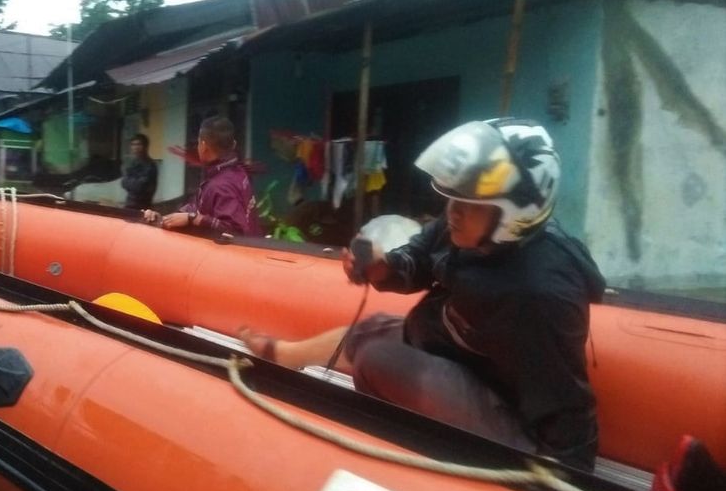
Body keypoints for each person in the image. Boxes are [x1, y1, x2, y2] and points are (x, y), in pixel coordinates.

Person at [241, 119, 606, 471]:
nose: (453, 212)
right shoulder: (470, 228)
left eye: (468, 203)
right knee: (375, 327)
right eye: (452, 198)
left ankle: (402, 444)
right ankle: (285, 356)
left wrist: (562, 484)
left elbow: (564, 404)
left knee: (377, 359)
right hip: (462, 352)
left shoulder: (538, 294)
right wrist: (382, 267)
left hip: (508, 416)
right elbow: (418, 256)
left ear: (514, 213)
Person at [143, 116, 262, 236]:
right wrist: (163, 219)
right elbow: (197, 207)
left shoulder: (221, 185)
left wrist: (193, 218)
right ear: (234, 144)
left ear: (204, 146)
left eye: (198, 143)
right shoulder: (238, 171)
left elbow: (234, 231)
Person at [121, 133, 159, 210]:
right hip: (129, 204)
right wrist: (133, 182)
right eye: (133, 145)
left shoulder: (150, 165)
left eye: (139, 144)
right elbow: (124, 183)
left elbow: (141, 186)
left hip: (144, 206)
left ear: (145, 146)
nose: (135, 147)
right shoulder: (130, 163)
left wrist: (131, 182)